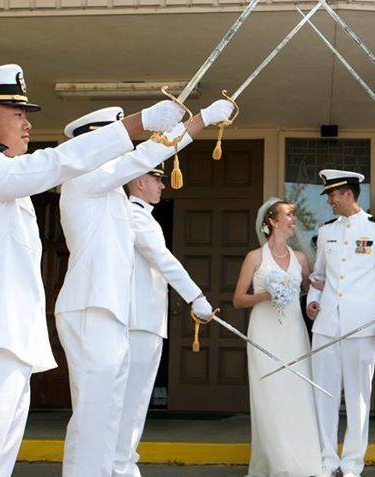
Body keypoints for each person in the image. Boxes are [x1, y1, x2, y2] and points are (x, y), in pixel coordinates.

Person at [0, 63, 182, 477]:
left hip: (7, 337)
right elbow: (59, 162)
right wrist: (139, 124)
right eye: (18, 115)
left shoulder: (1, 176)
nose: (28, 125)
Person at [55, 101, 232, 476]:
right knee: (94, 420)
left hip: (109, 312)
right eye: (119, 137)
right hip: (91, 308)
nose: (128, 145)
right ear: (98, 143)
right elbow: (149, 153)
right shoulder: (86, 177)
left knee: (107, 418)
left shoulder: (113, 195)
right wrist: (200, 121)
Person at [112, 165, 210, 477]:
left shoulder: (143, 214)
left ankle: (123, 464)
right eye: (157, 179)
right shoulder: (135, 214)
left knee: (136, 401)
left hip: (147, 322)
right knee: (131, 401)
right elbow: (163, 259)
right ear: (140, 181)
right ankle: (120, 467)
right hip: (138, 321)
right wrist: (195, 296)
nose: (162, 186)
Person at [306, 169, 375, 477]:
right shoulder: (326, 231)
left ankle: (351, 464)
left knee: (359, 396)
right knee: (324, 394)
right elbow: (318, 277)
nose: (330, 201)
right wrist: (311, 302)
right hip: (327, 325)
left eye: (333, 194)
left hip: (362, 326)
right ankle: (327, 460)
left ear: (348, 193)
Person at [232, 197, 322, 477]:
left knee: (297, 393)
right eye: (288, 215)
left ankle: (304, 460)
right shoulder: (255, 258)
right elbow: (237, 299)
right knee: (269, 395)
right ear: (271, 221)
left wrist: (314, 303)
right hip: (264, 334)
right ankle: (277, 463)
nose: (294, 220)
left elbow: (310, 290)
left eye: (294, 215)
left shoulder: (301, 259)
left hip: (294, 333)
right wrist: (264, 296)